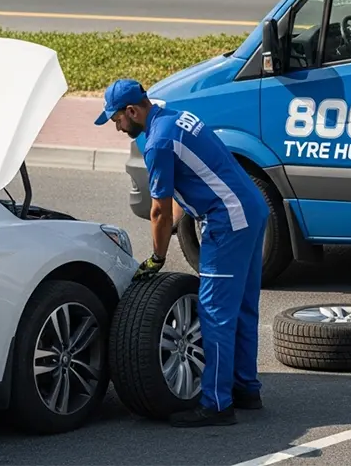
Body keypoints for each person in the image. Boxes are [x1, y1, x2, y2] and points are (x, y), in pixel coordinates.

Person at [95, 78, 269, 428]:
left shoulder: (157, 142)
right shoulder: (176, 118)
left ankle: (217, 404)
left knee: (215, 313)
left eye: (116, 119)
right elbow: (186, 188)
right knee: (244, 306)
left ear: (132, 111)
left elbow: (159, 210)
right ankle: (246, 388)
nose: (116, 126)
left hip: (228, 219)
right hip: (253, 208)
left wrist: (157, 257)